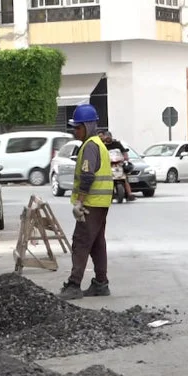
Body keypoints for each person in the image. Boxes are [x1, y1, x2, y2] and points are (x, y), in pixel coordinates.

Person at [59, 104, 114, 300]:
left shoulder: (90, 146)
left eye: (78, 127)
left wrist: (80, 202)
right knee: (97, 244)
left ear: (88, 126)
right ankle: (101, 283)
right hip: (100, 203)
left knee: (81, 242)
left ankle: (74, 285)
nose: (75, 131)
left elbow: (88, 175)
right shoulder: (97, 144)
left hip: (91, 203)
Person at [98, 129, 136, 201]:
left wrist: (126, 158)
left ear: (111, 137)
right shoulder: (102, 145)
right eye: (106, 137)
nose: (108, 138)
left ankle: (129, 194)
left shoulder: (117, 144)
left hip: (119, 164)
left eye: (109, 137)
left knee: (125, 177)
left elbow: (124, 151)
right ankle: (106, 194)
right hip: (108, 164)